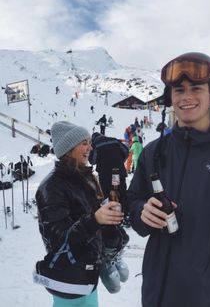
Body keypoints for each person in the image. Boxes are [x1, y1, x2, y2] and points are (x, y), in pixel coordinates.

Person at [127, 52, 210, 307]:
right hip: (157, 294)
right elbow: (132, 200)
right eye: (178, 90)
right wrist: (141, 212)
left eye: (196, 88)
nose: (186, 97)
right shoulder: (155, 151)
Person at [35, 121, 127, 307]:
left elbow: (91, 218)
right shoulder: (51, 187)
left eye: (89, 142)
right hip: (67, 278)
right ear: (69, 149)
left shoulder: (86, 177)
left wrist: (111, 224)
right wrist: (95, 219)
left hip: (88, 272)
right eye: (84, 143)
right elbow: (57, 238)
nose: (90, 148)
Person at [89, 132, 129, 220]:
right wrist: (120, 160)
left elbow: (92, 160)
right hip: (118, 171)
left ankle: (112, 216)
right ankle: (126, 214)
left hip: (106, 175)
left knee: (108, 193)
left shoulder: (95, 144)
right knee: (121, 191)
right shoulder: (114, 140)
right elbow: (126, 151)